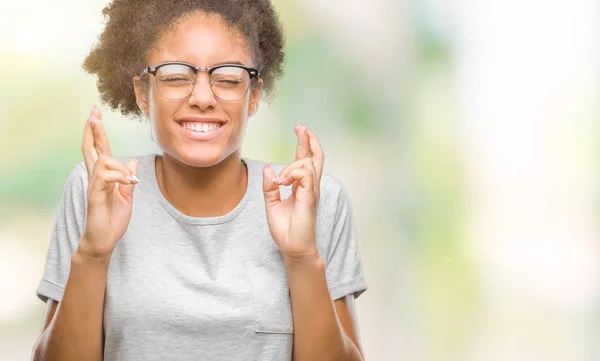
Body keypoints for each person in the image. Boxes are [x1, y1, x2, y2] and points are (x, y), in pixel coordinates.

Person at [32, 0, 367, 360]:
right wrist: (93, 254)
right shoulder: (98, 189)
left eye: (227, 78)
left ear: (253, 96)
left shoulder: (313, 199)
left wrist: (302, 257)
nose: (203, 98)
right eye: (176, 76)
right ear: (142, 93)